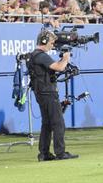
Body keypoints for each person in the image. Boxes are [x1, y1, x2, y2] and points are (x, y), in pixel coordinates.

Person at [27, 26, 77, 162]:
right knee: (58, 122)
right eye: (50, 43)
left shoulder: (35, 55)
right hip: (47, 92)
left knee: (47, 123)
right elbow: (59, 67)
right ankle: (60, 152)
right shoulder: (41, 55)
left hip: (41, 91)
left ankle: (44, 153)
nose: (52, 46)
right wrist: (66, 58)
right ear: (43, 41)